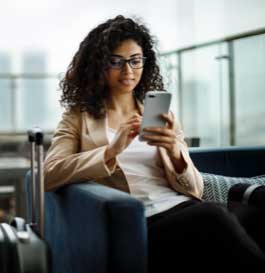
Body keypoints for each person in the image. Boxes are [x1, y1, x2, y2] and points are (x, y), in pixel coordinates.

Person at [44, 15, 265, 273]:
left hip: (185, 207)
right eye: (117, 61)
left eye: (135, 61)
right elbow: (48, 174)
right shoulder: (78, 118)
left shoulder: (160, 113)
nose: (128, 71)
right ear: (99, 65)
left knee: (256, 211)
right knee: (213, 217)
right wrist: (110, 151)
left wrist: (176, 153)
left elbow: (194, 188)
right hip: (144, 221)